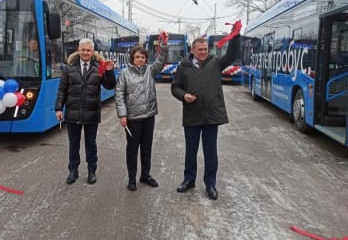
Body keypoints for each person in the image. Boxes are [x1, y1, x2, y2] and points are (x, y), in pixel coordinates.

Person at [171, 33, 240, 200]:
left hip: (211, 116)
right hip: (192, 115)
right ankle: (189, 180)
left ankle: (210, 184)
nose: (203, 52)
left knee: (210, 152)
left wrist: (235, 36)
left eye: (205, 49)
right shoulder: (183, 67)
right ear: (193, 50)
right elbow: (175, 88)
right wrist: (183, 95)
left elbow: (231, 55)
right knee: (191, 151)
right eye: (200, 49)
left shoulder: (215, 63)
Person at [55, 38, 115, 185]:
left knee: (91, 144)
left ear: (92, 51)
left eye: (88, 50)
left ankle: (91, 171)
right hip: (73, 113)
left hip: (91, 113)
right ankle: (73, 171)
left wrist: (109, 72)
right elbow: (62, 90)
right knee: (73, 144)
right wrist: (58, 108)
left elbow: (109, 86)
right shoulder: (69, 68)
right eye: (83, 50)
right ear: (78, 50)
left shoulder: (99, 67)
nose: (86, 53)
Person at [115, 36, 168, 191]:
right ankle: (132, 178)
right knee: (132, 148)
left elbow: (161, 60)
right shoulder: (124, 73)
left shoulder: (150, 70)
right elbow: (119, 94)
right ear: (132, 58)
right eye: (137, 57)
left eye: (142, 57)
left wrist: (163, 45)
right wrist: (122, 115)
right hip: (133, 118)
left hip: (148, 116)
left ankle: (145, 175)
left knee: (147, 148)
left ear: (146, 58)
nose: (140, 59)